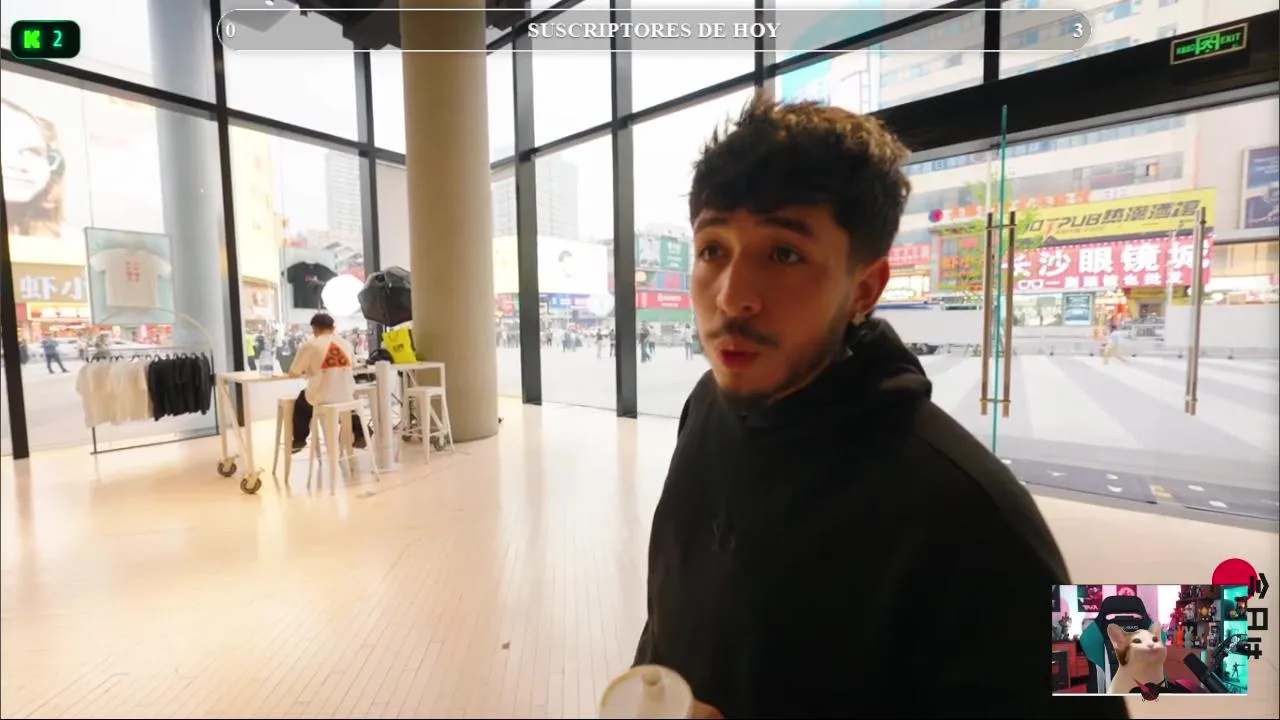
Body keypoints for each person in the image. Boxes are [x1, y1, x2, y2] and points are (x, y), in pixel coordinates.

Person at [631, 97, 1128, 719]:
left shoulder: (972, 514)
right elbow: (673, 618)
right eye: (713, 250)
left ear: (864, 288)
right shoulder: (706, 408)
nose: (732, 298)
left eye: (783, 253)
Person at [287, 312, 366, 453]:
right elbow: (353, 365)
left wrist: (308, 371)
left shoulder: (310, 345)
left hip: (323, 398)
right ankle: (360, 431)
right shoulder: (346, 344)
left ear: (314, 329)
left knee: (301, 401)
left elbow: (293, 373)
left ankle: (299, 439)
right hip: (347, 396)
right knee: (343, 407)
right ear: (333, 328)